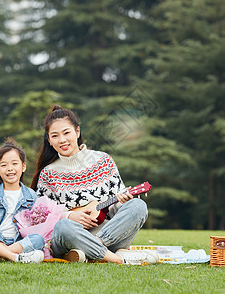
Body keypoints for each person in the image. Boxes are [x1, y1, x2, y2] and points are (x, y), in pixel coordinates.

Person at [31, 105, 159, 265]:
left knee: (138, 206)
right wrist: (69, 216)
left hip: (108, 235)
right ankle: (117, 257)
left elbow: (116, 210)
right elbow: (40, 216)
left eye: (66, 133)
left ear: (77, 132)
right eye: (55, 136)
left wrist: (122, 202)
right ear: (49, 140)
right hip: (69, 236)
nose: (62, 140)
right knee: (64, 226)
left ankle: (91, 249)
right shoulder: (48, 174)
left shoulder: (103, 161)